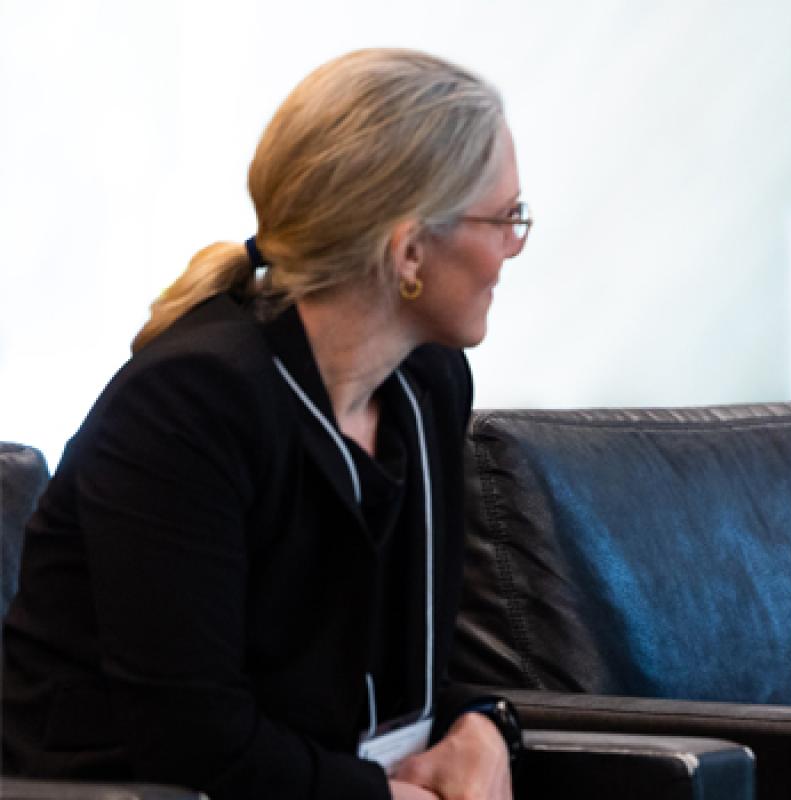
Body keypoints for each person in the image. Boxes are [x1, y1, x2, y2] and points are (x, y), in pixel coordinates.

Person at [2, 49, 529, 800]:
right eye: (505, 217)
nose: (513, 246)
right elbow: (191, 739)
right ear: (409, 249)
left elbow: (397, 665)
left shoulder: (429, 381)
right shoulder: (190, 406)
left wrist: (483, 722)